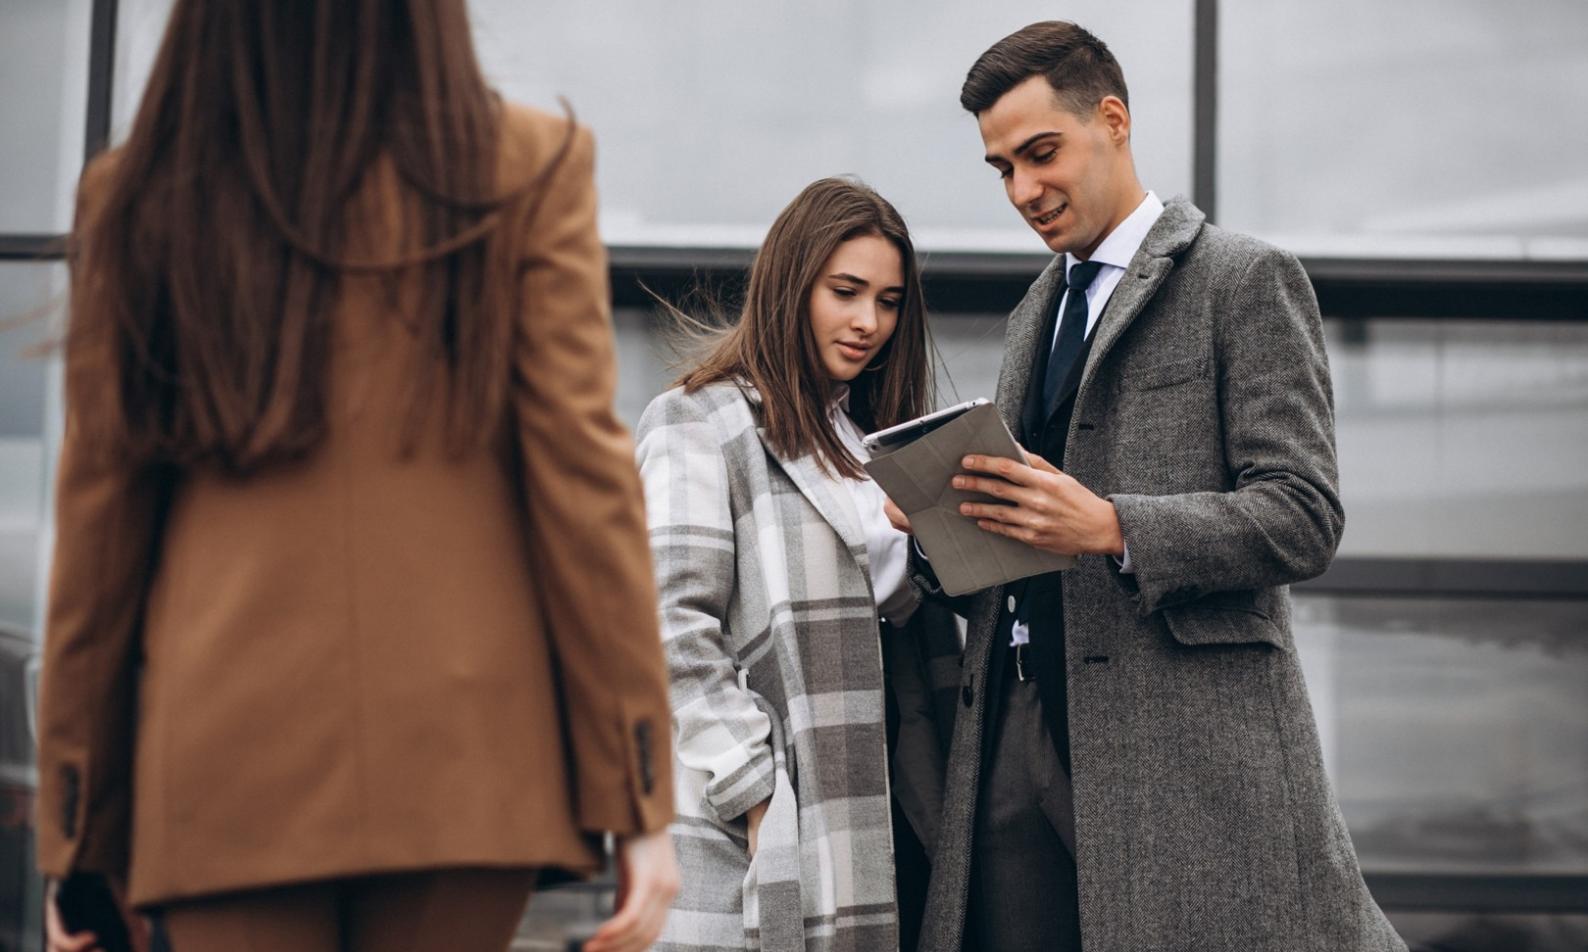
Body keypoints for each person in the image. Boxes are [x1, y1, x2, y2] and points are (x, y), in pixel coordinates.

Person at [35, 2, 676, 950]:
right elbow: (584, 493)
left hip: (222, 767)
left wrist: (78, 830)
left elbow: (101, 537)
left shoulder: (142, 192)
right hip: (466, 766)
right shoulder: (524, 168)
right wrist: (640, 792)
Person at [884, 21, 1407, 952]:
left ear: (1113, 120)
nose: (1024, 190)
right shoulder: (1028, 318)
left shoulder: (1243, 280)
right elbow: (1024, 538)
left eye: (1041, 154)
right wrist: (941, 525)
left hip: (1180, 755)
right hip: (1009, 729)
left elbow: (1302, 514)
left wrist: (1114, 526)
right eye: (1002, 169)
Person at [636, 178, 963, 952]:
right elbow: (665, 627)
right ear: (791, 284)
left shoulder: (874, 440)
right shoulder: (698, 419)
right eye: (845, 291)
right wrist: (756, 796)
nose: (868, 322)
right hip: (768, 799)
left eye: (887, 302)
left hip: (890, 788)